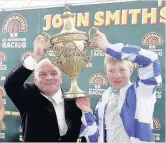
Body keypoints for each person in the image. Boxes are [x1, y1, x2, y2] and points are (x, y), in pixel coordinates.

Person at [76, 31, 162, 143]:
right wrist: (87, 112)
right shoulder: (105, 98)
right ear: (105, 73)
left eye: (122, 70)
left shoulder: (141, 91)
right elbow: (95, 136)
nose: (116, 76)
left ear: (131, 71)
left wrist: (108, 47)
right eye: (111, 71)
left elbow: (151, 60)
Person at [4, 35, 83, 142]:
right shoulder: (27, 94)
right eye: (43, 74)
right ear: (34, 79)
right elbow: (11, 84)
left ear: (61, 77)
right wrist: (36, 56)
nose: (49, 78)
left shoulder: (73, 99)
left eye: (54, 73)